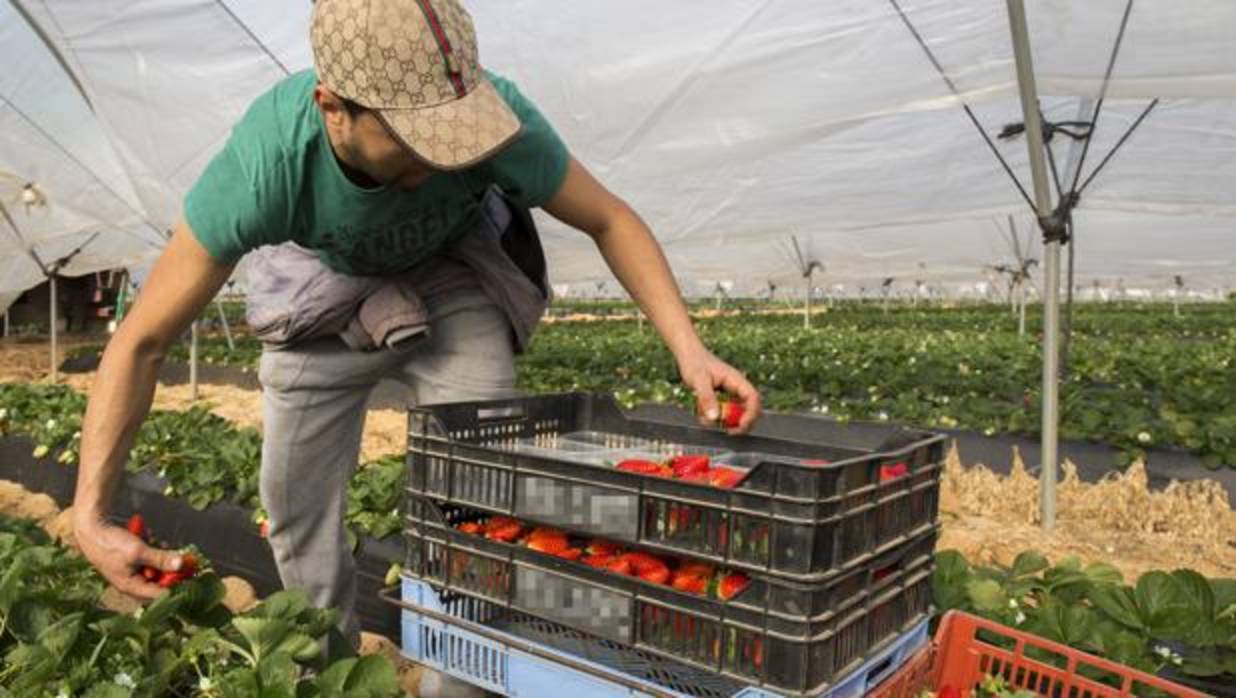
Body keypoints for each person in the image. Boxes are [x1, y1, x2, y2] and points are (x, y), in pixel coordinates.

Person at [71, 0, 760, 659]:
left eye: (456, 136)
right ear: (333, 109)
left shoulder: (495, 120)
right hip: (320, 289)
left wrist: (690, 348)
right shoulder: (266, 165)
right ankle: (329, 669)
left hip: (452, 273)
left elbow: (609, 218)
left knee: (481, 498)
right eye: (413, 139)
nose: (444, 158)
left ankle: (460, 679)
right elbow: (141, 341)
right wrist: (90, 513)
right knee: (294, 505)